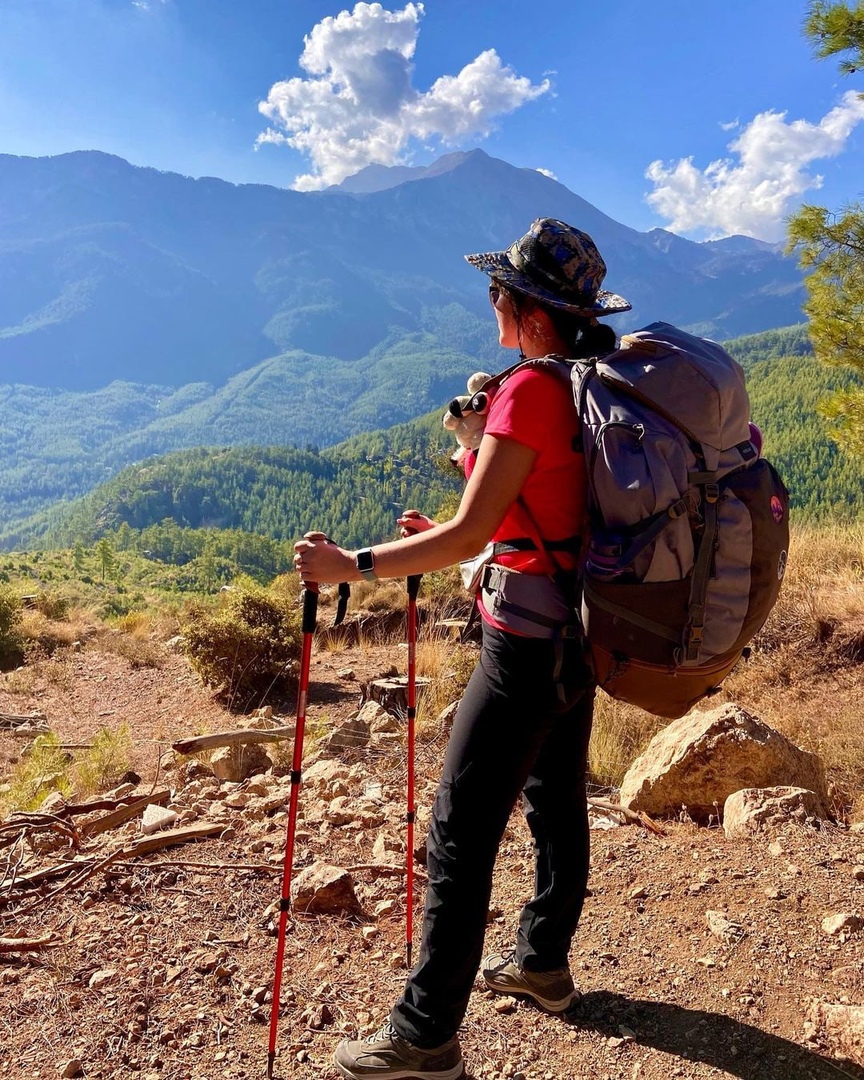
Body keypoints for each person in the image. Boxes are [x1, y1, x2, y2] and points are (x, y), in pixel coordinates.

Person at [293, 218, 632, 1080]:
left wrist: (349, 565)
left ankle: (425, 1035)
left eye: (498, 292)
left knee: (458, 832)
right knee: (556, 804)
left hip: (523, 648)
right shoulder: (590, 380)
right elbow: (532, 512)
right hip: (582, 631)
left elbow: (470, 533)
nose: (491, 302)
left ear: (530, 312)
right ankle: (543, 964)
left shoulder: (529, 390)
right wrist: (446, 533)